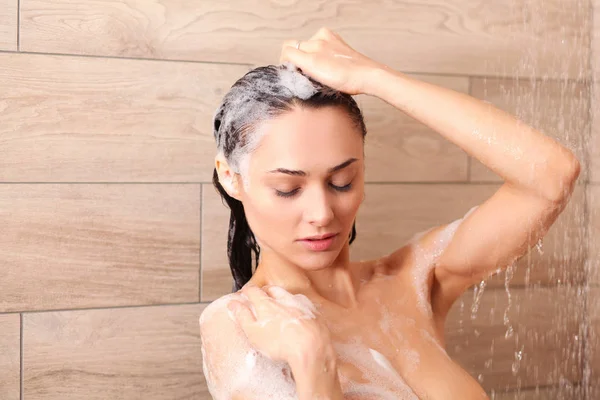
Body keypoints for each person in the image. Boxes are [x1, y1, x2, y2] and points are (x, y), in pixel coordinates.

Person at [198, 27, 581, 400]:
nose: (322, 213)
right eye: (288, 189)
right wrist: (312, 361)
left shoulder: (413, 281)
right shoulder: (242, 327)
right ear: (232, 178)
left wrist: (374, 77)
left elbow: (550, 176)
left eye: (342, 182)